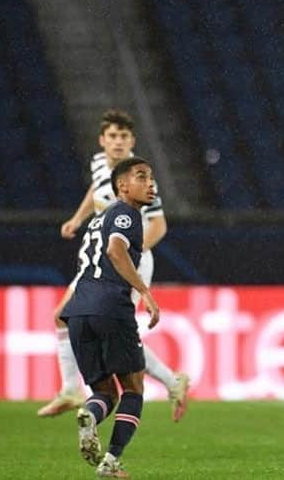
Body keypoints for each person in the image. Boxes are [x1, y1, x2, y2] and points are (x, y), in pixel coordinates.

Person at [39, 110, 189, 422]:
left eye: (124, 136)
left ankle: (172, 382)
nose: (118, 142)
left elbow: (159, 225)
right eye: (112, 136)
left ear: (132, 141)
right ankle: (70, 389)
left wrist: (129, 249)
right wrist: (78, 219)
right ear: (102, 140)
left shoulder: (139, 178)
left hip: (126, 262)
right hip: (98, 260)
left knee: (115, 332)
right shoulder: (99, 163)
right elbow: (96, 189)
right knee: (62, 317)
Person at [61, 157, 161, 479]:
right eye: (142, 177)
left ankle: (90, 415)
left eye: (151, 179)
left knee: (105, 394)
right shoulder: (127, 214)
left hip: (78, 312)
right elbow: (115, 251)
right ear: (122, 186)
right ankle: (111, 462)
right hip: (111, 307)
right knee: (133, 390)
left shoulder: (97, 220)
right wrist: (144, 291)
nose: (151, 185)